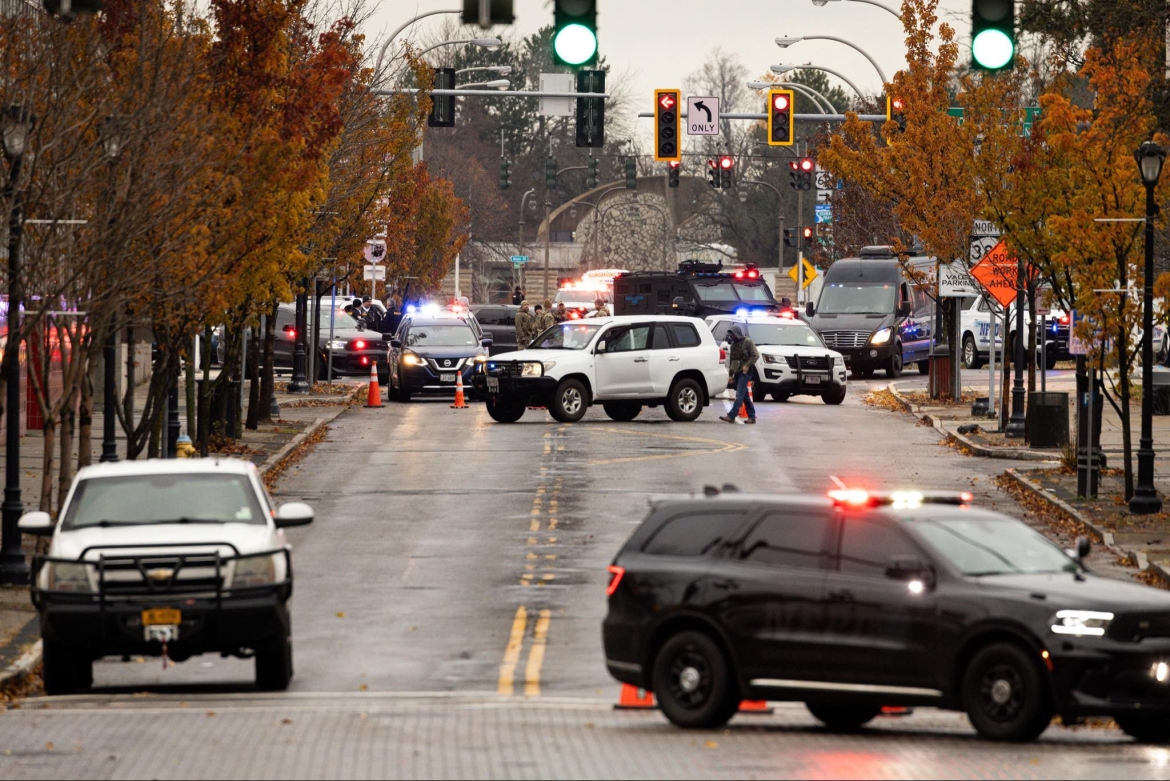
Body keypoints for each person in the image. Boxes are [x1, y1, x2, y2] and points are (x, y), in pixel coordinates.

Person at [720, 324, 758, 424]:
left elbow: (755, 355)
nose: (731, 336)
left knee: (739, 394)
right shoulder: (733, 345)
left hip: (745, 373)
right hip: (737, 372)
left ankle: (731, 415)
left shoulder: (747, 342)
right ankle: (752, 416)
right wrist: (730, 375)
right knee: (744, 396)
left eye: (732, 334)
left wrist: (747, 365)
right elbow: (732, 360)